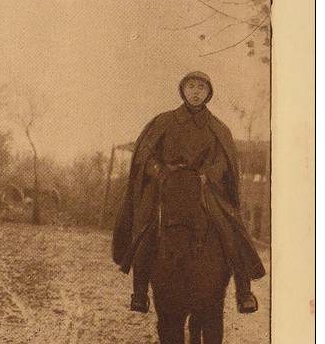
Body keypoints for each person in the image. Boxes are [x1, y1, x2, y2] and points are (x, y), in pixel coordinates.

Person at [112, 71, 265, 314]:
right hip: (165, 185)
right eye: (191, 86)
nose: (196, 92)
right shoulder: (163, 122)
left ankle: (243, 291)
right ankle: (139, 291)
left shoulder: (218, 129)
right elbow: (145, 156)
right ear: (182, 90)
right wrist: (160, 173)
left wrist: (208, 175)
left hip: (203, 187)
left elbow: (225, 163)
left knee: (230, 226)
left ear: (209, 93)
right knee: (146, 224)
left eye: (201, 88)